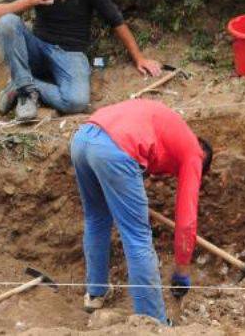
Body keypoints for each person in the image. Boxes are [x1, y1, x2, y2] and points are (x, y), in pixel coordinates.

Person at [70, 99, 213, 323]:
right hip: (116, 149)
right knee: (137, 237)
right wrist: (182, 270)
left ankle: (96, 294)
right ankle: (151, 321)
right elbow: (186, 221)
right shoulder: (195, 154)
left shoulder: (171, 128)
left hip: (83, 138)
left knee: (96, 218)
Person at [0, 0, 162, 121]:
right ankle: (26, 94)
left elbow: (116, 21)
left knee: (76, 102)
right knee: (8, 22)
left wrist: (139, 58)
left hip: (71, 54)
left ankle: (20, 84)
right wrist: (29, 0)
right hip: (39, 48)